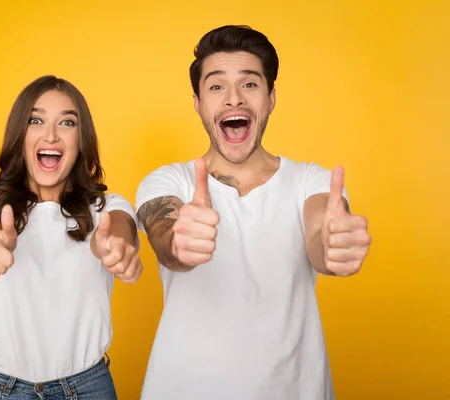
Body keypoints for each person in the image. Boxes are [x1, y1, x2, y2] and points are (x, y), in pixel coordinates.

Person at [135, 25, 372, 399]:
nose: (233, 100)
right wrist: (178, 241)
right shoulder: (168, 182)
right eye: (216, 87)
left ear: (271, 97)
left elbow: (319, 235)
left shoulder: (311, 181)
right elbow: (164, 235)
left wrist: (331, 245)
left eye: (249, 84)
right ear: (198, 103)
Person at [0, 75, 142, 400]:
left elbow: (119, 228)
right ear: (19, 135)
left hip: (88, 389)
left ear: (82, 139)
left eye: (67, 122)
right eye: (36, 120)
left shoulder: (106, 207)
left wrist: (116, 246)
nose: (51, 134)